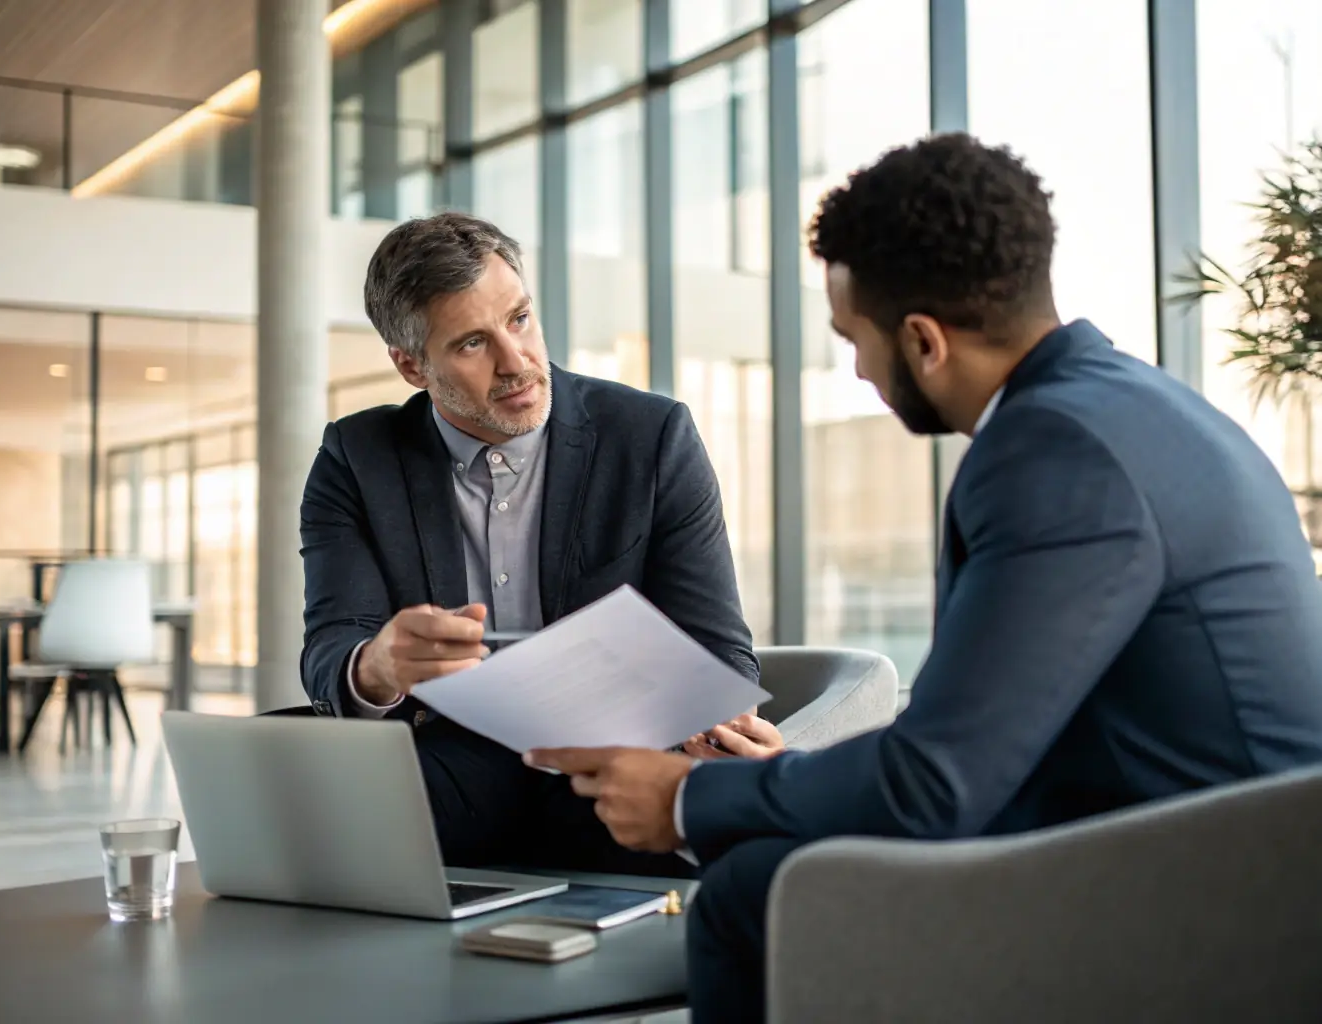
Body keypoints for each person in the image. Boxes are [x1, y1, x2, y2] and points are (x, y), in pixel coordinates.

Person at [526, 133, 1322, 1022]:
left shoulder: (1054, 453)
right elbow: (993, 738)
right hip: (1207, 841)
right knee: (778, 859)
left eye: (851, 341)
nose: (859, 370)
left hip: (1216, 894)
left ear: (922, 340)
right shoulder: (1133, 406)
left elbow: (936, 787)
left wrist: (686, 798)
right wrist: (796, 782)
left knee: (756, 898)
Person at [299, 211, 785, 878]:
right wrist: (378, 665)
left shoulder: (650, 437)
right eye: (472, 344)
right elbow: (332, 646)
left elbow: (717, 642)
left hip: (612, 757)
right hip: (452, 762)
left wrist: (719, 722)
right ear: (411, 366)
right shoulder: (357, 458)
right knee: (315, 793)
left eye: (520, 319)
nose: (516, 362)